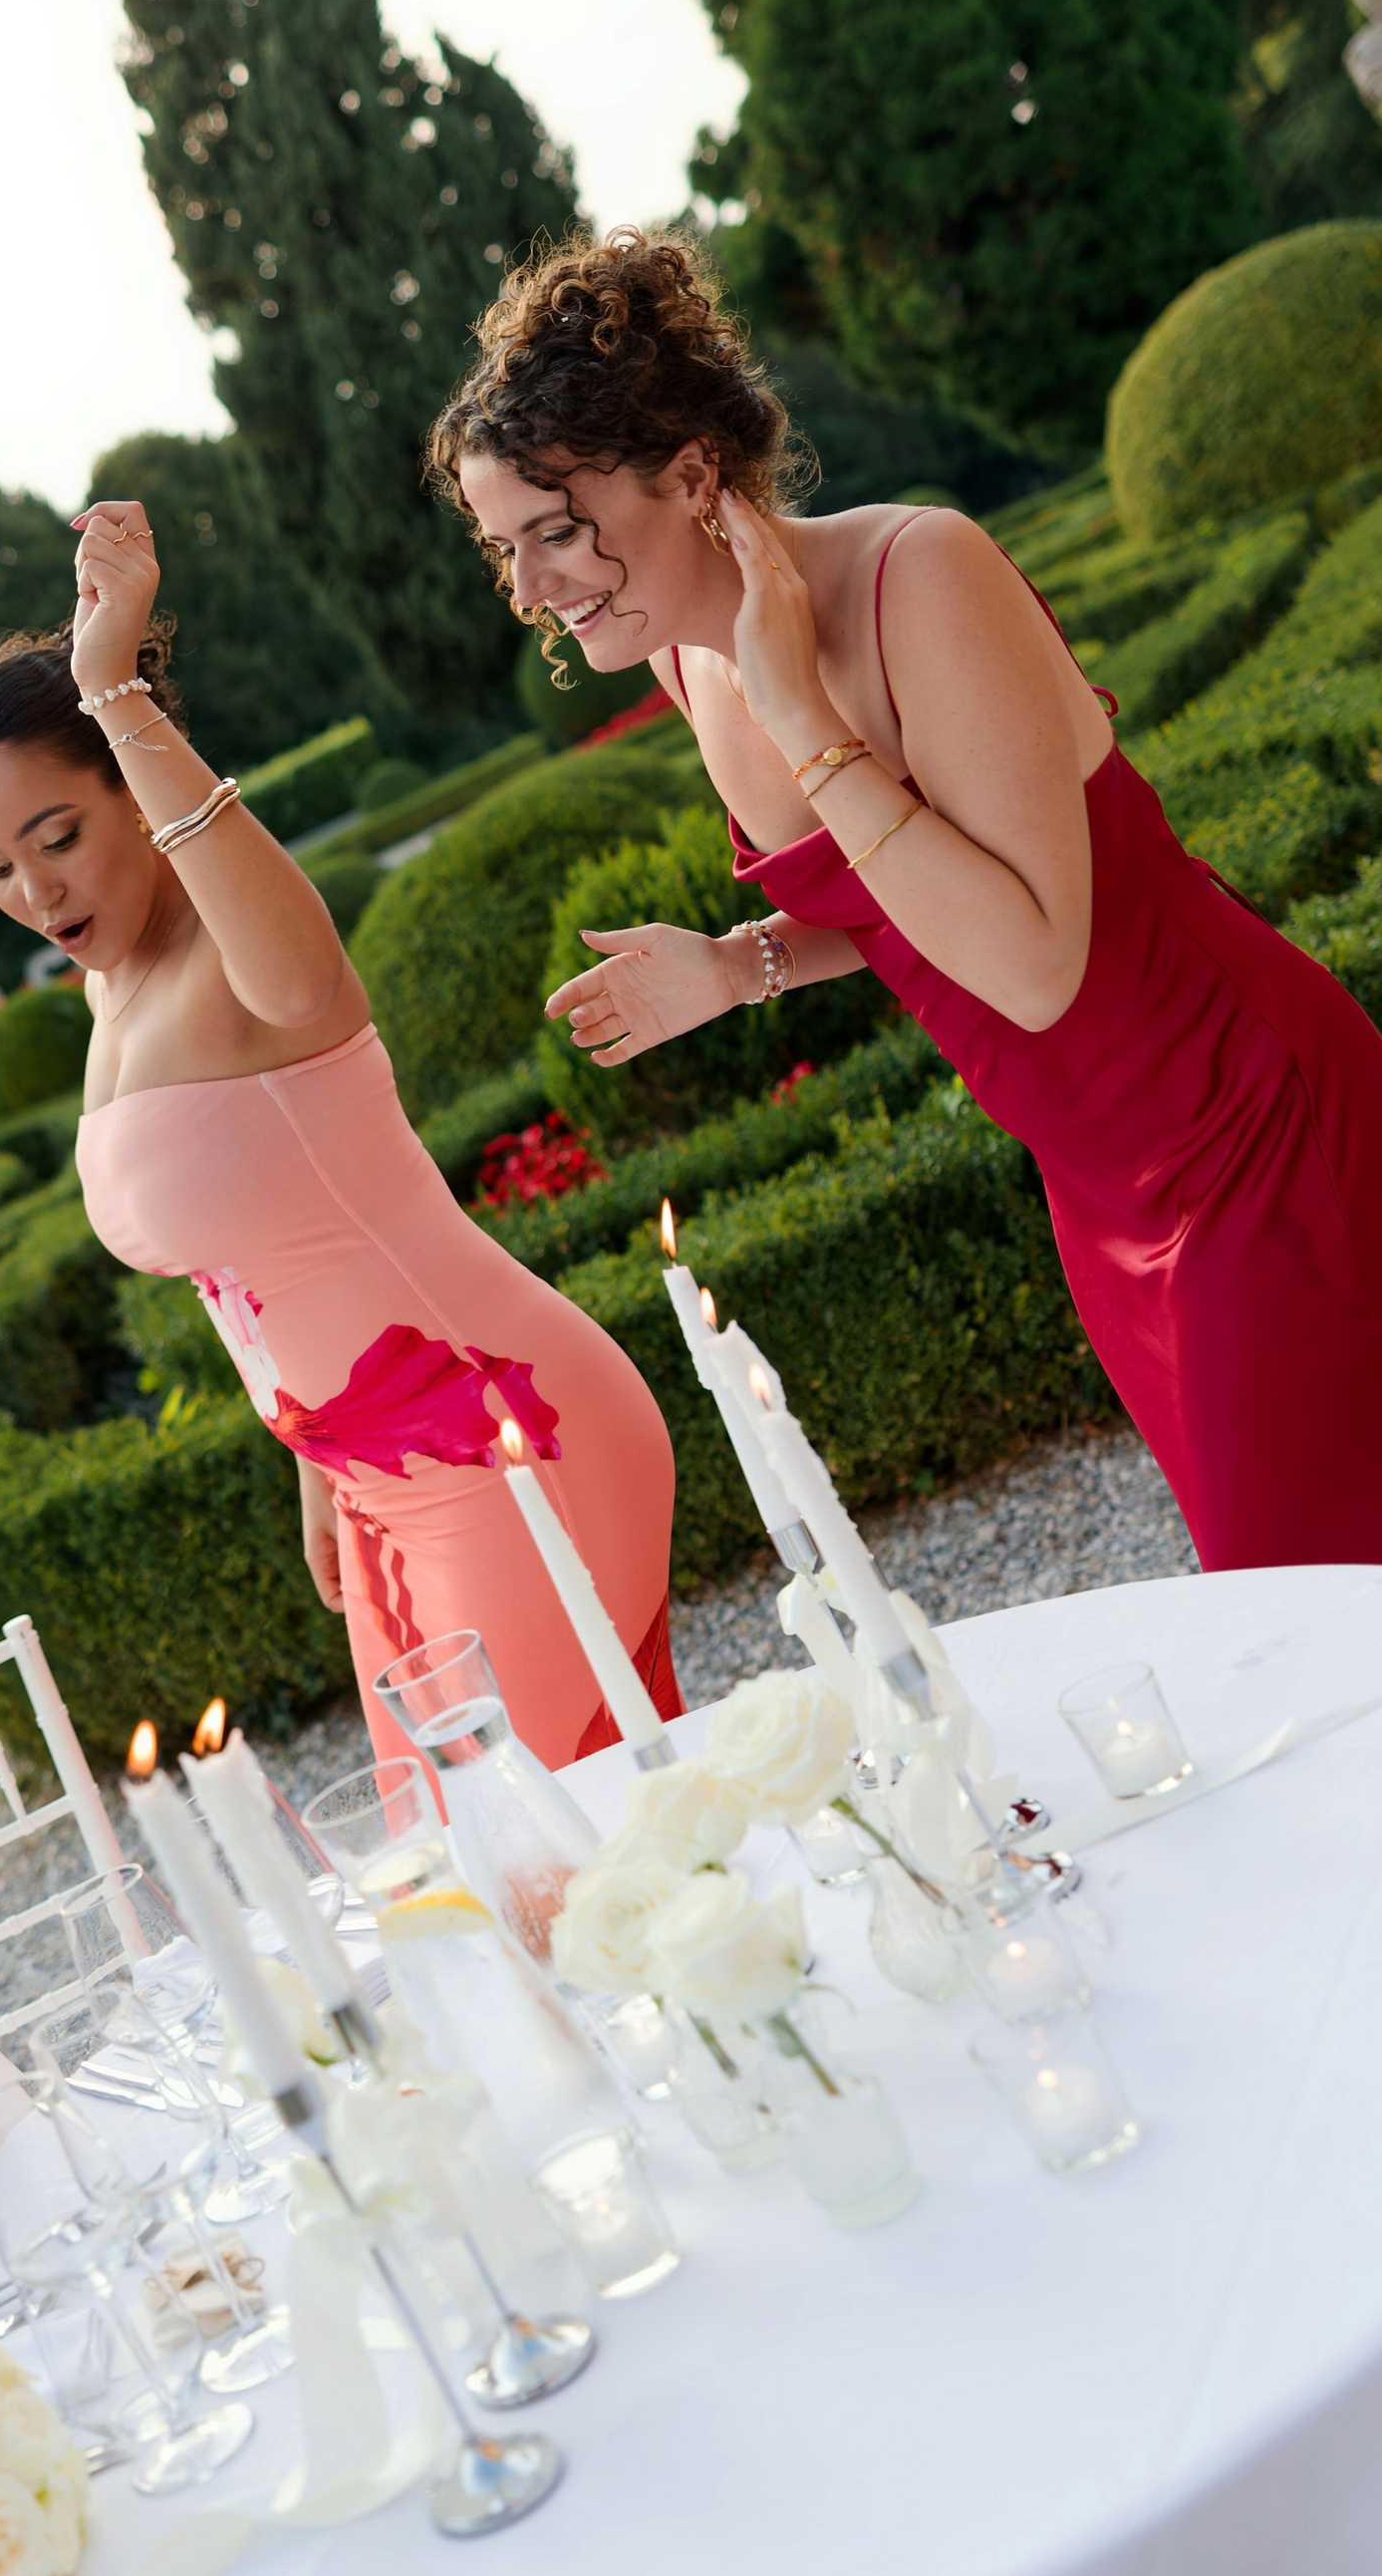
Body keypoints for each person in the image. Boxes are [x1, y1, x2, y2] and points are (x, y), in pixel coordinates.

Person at [430, 229, 1382, 1573]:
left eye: (555, 533)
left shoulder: (918, 576)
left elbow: (1037, 962)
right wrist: (738, 964)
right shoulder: (696, 673)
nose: (527, 589)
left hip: (1250, 1128)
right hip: (1099, 1186)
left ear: (693, 474)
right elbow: (903, 905)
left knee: (1304, 1597)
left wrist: (804, 721)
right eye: (502, 547)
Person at [0, 499, 681, 1769]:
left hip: (507, 1442)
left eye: (57, 837)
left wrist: (111, 687)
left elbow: (285, 990)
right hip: (379, 1482)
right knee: (497, 1901)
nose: (35, 892)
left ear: (133, 786)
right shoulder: (114, 999)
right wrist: (315, 1469)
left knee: (571, 1879)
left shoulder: (244, 959)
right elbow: (273, 1257)